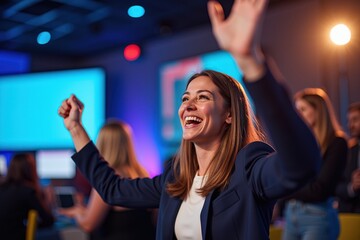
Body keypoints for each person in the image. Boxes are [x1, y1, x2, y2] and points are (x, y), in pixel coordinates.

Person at [58, 0, 321, 239]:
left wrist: (249, 60)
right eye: (185, 98)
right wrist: (75, 128)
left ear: (229, 114)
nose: (188, 106)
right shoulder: (177, 178)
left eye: (203, 97)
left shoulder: (249, 168)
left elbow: (301, 165)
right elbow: (112, 189)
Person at [58, 120, 156, 240]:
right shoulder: (143, 174)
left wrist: (77, 213)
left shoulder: (109, 180)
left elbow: (88, 224)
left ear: (102, 144)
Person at [281, 88, 348, 240]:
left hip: (317, 215)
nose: (298, 115)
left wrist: (288, 190)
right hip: (291, 213)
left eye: (303, 109)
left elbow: (320, 190)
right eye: (296, 110)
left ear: (318, 111)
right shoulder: (300, 143)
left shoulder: (337, 143)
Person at [0, 153, 54, 239]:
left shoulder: (2, 187)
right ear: (30, 170)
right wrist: (48, 200)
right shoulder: (27, 192)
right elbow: (48, 221)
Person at [336, 102, 360, 213]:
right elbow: (335, 185)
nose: (350, 125)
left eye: (355, 120)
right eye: (349, 121)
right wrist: (352, 187)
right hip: (349, 216)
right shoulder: (347, 151)